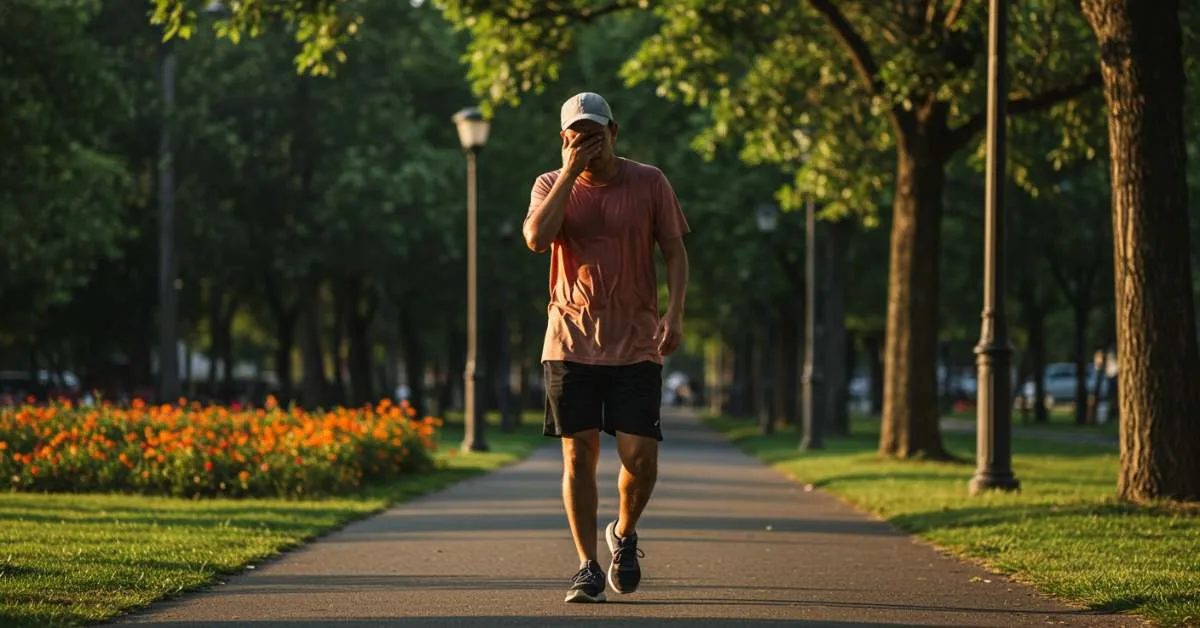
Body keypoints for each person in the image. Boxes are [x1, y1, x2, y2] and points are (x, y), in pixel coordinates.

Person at [522, 92, 691, 603]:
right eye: (579, 134)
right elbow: (535, 238)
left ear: (614, 132)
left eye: (597, 132)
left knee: (640, 457)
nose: (589, 142)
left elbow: (675, 250)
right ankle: (587, 565)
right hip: (569, 341)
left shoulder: (650, 181)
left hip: (636, 341)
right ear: (564, 138)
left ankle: (623, 532)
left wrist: (675, 311)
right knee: (579, 457)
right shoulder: (550, 184)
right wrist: (571, 174)